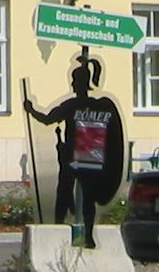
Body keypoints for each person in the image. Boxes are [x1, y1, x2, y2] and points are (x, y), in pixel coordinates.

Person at [23, 53, 125, 247]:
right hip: (90, 157)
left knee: (65, 193)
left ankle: (61, 230)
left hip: (74, 157)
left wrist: (31, 109)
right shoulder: (98, 106)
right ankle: (87, 235)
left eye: (74, 80)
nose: (71, 83)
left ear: (79, 83)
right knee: (86, 198)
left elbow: (47, 119)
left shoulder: (73, 105)